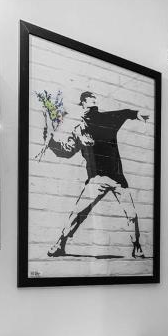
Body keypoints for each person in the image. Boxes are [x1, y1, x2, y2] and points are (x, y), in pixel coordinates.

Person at [42, 91, 150, 258]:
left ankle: (136, 246)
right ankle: (60, 244)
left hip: (117, 179)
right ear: (83, 104)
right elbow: (66, 151)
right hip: (96, 179)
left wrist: (136, 114)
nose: (92, 102)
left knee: (132, 214)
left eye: (94, 100)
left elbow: (123, 113)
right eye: (89, 100)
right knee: (78, 213)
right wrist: (50, 142)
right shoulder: (79, 130)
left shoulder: (106, 119)